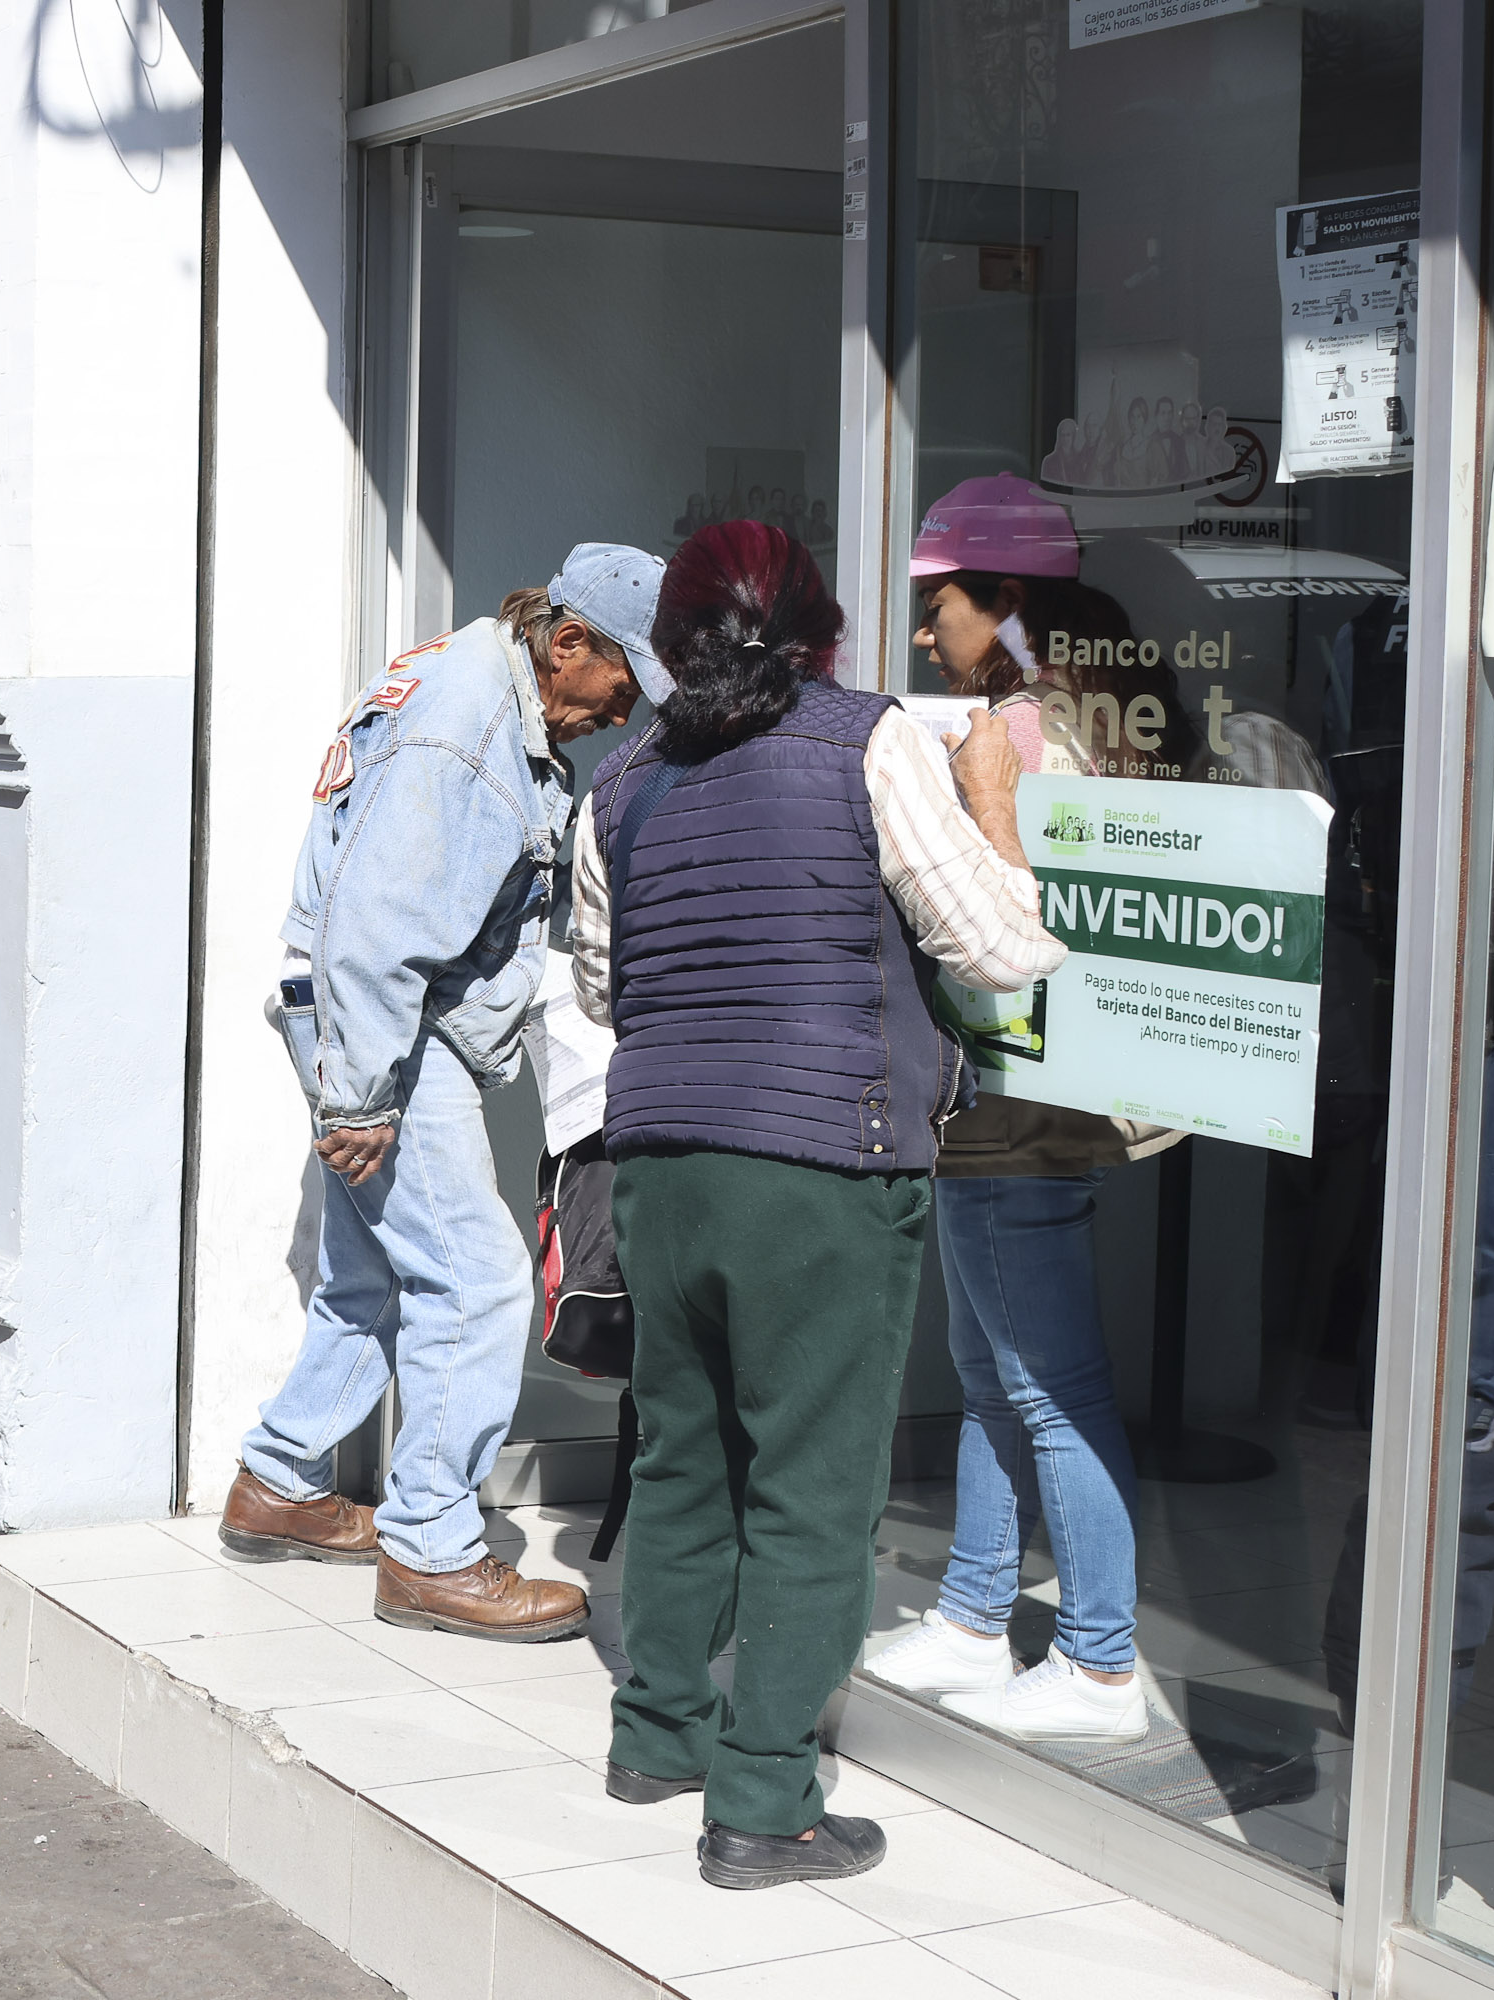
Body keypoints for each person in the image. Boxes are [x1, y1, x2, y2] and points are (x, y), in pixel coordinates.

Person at [565, 522, 1066, 1889]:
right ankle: (767, 1803)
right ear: (821, 634)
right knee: (810, 1485)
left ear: (670, 645)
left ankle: (656, 1735)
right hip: (821, 1166)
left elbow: (606, 988)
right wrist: (994, 800)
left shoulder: (619, 783)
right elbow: (1002, 943)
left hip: (661, 1159)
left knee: (682, 1454)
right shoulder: (874, 739)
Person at [220, 544, 646, 1641]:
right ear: (568, 644)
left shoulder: (478, 672)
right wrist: (358, 1096)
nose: (626, 706)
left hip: (375, 1012)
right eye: (623, 678)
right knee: (481, 1279)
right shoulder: (469, 730)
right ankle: (433, 1547)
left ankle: (279, 1476)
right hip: (377, 1021)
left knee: (373, 1267)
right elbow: (376, 925)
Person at [860, 478, 1186, 1743]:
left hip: (1017, 1089)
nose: (926, 629)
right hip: (1053, 1086)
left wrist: (976, 800)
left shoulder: (1024, 729)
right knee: (997, 1370)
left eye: (939, 604)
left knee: (1043, 1381)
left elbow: (1003, 915)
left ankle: (1101, 1658)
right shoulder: (1094, 712)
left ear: (1001, 603)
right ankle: (975, 1611)